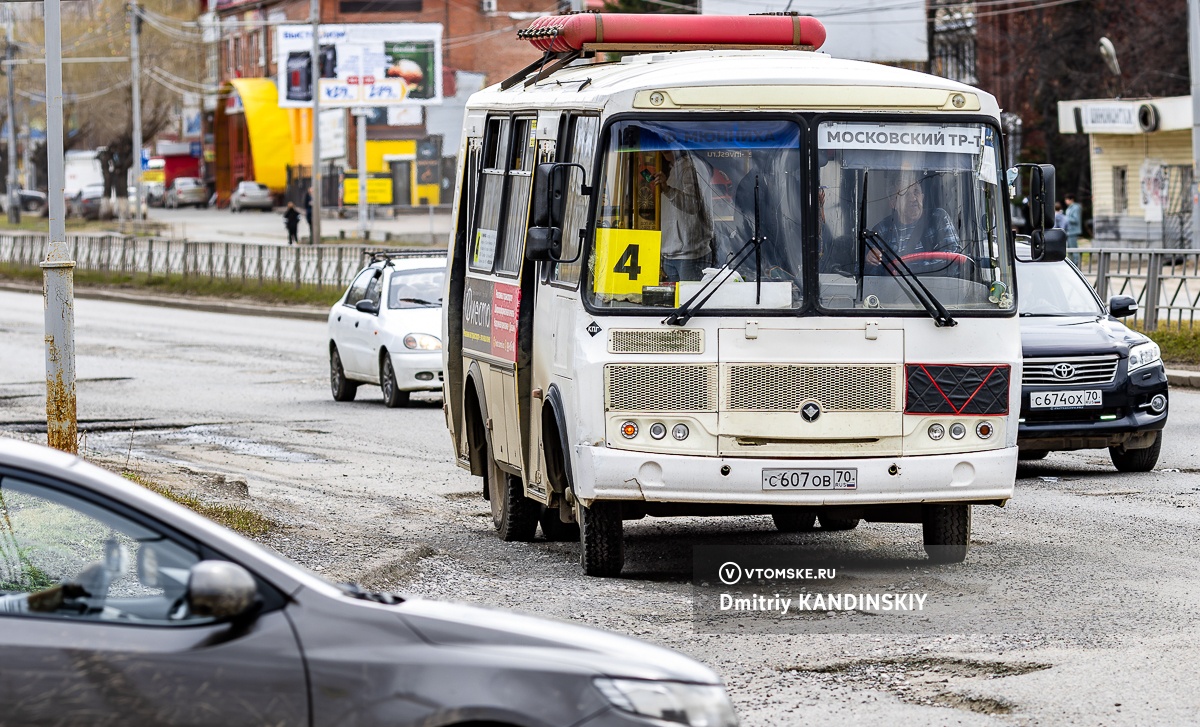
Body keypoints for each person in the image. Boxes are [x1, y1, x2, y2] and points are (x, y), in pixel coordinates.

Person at [868, 174, 961, 270]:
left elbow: (954, 258)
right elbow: (862, 270)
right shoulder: (882, 230)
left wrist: (910, 270)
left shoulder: (938, 218)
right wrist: (871, 259)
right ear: (893, 203)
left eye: (916, 192)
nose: (913, 199)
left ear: (922, 197)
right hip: (893, 285)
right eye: (905, 194)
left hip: (934, 284)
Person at [651, 149, 713, 282]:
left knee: (688, 300)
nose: (663, 150)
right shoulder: (671, 168)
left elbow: (692, 204)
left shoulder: (691, 166)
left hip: (690, 254)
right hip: (669, 251)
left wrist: (667, 190)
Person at [1064, 193, 1083, 264]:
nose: (1066, 201)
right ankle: (1071, 264)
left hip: (1073, 231)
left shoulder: (1076, 207)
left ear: (1071, 199)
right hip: (1068, 231)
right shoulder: (1069, 207)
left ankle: (1076, 264)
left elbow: (1076, 219)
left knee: (1074, 249)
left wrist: (1065, 218)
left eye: (1067, 199)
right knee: (1069, 250)